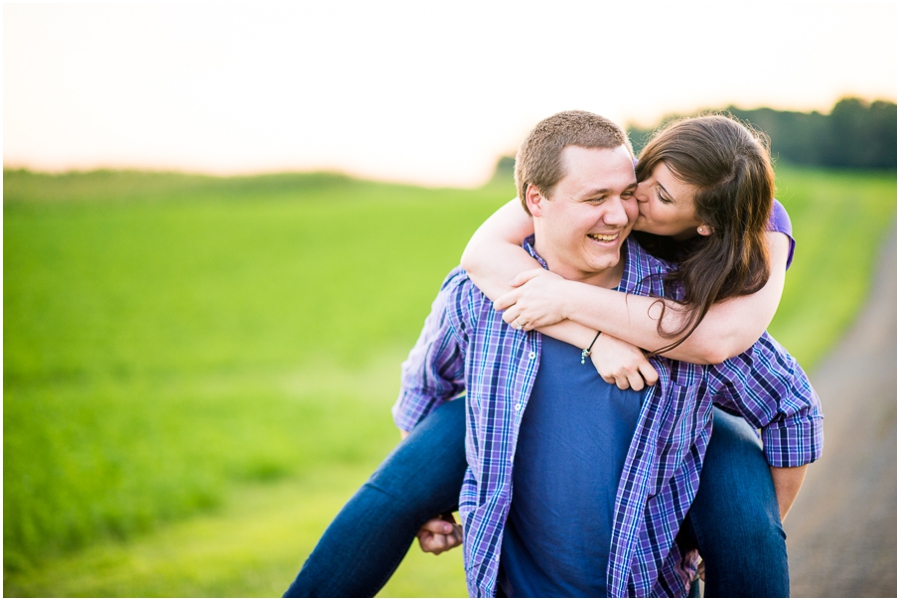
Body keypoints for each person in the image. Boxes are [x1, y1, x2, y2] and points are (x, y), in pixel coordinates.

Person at [283, 112, 822, 597]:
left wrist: (746, 524)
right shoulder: (480, 292)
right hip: (512, 586)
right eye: (597, 199)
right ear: (535, 202)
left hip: (638, 586)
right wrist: (427, 501)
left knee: (744, 511)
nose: (621, 214)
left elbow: (789, 405)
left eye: (627, 193)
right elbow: (426, 382)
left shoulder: (679, 309)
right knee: (384, 496)